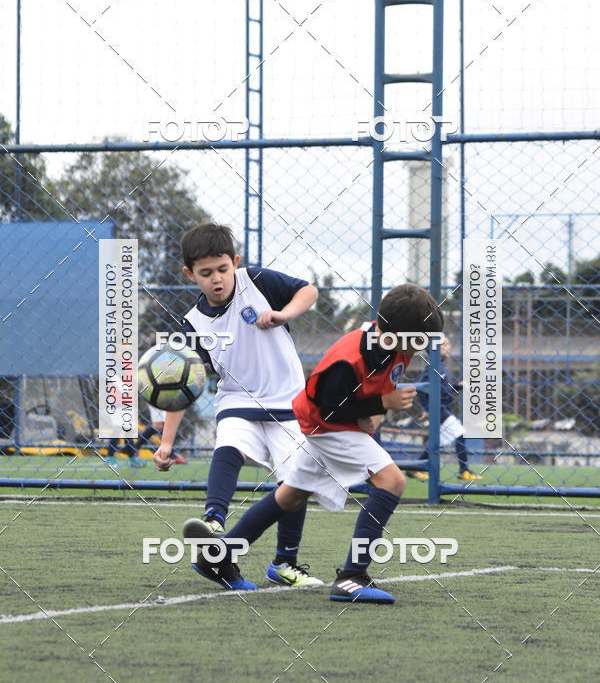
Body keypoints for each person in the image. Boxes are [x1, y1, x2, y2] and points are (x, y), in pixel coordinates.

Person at [185, 284, 444, 604]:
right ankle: (351, 577)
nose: (422, 347)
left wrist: (376, 410)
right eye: (420, 340)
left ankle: (218, 555)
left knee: (292, 495)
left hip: (333, 423)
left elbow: (377, 388)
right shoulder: (349, 359)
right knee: (391, 481)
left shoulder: (392, 341)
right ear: (394, 333)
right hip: (326, 424)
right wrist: (380, 404)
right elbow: (329, 408)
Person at [154, 222, 321, 589]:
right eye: (206, 273)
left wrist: (284, 314)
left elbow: (308, 291)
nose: (217, 279)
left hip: (288, 403)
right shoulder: (193, 324)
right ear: (189, 274)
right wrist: (166, 443)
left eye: (222, 268)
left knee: (296, 484)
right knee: (229, 445)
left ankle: (284, 563)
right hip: (237, 400)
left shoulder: (257, 282)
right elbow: (182, 387)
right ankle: (213, 520)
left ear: (236, 262)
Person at [407, 336, 481, 482]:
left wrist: (458, 387)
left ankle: (414, 468)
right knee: (460, 434)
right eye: (445, 344)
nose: (449, 347)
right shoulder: (433, 367)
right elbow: (421, 389)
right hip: (439, 410)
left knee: (437, 442)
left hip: (441, 409)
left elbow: (444, 390)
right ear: (435, 348)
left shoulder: (439, 366)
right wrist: (428, 409)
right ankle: (464, 470)